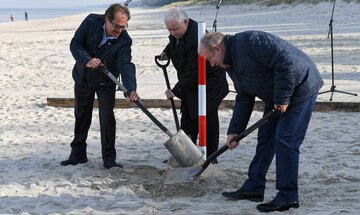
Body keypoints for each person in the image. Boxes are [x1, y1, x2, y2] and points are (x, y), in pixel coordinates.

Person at [200, 31, 323, 212]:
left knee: (285, 141)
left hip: (300, 87)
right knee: (265, 138)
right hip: (276, 93)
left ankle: (288, 196)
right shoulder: (229, 63)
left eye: (210, 58)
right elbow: (244, 96)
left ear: (217, 48)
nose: (212, 64)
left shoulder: (250, 42)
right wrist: (235, 131)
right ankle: (254, 187)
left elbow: (285, 62)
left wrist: (282, 98)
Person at [60, 4, 139, 169]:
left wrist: (130, 88)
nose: (119, 30)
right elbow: (76, 43)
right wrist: (86, 59)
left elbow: (126, 64)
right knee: (82, 115)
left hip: (106, 81)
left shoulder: (124, 40)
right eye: (116, 26)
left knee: (107, 118)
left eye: (123, 27)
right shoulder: (91, 21)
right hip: (83, 77)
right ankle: (78, 155)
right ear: (107, 19)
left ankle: (109, 159)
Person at [159, 7, 228, 162]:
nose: (172, 33)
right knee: (188, 115)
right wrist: (167, 51)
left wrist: (175, 91)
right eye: (169, 30)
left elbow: (194, 70)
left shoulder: (198, 37)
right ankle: (185, 154)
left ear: (186, 22)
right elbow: (175, 42)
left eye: (175, 29)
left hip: (210, 83)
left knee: (206, 117)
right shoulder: (180, 31)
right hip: (192, 83)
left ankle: (211, 156)